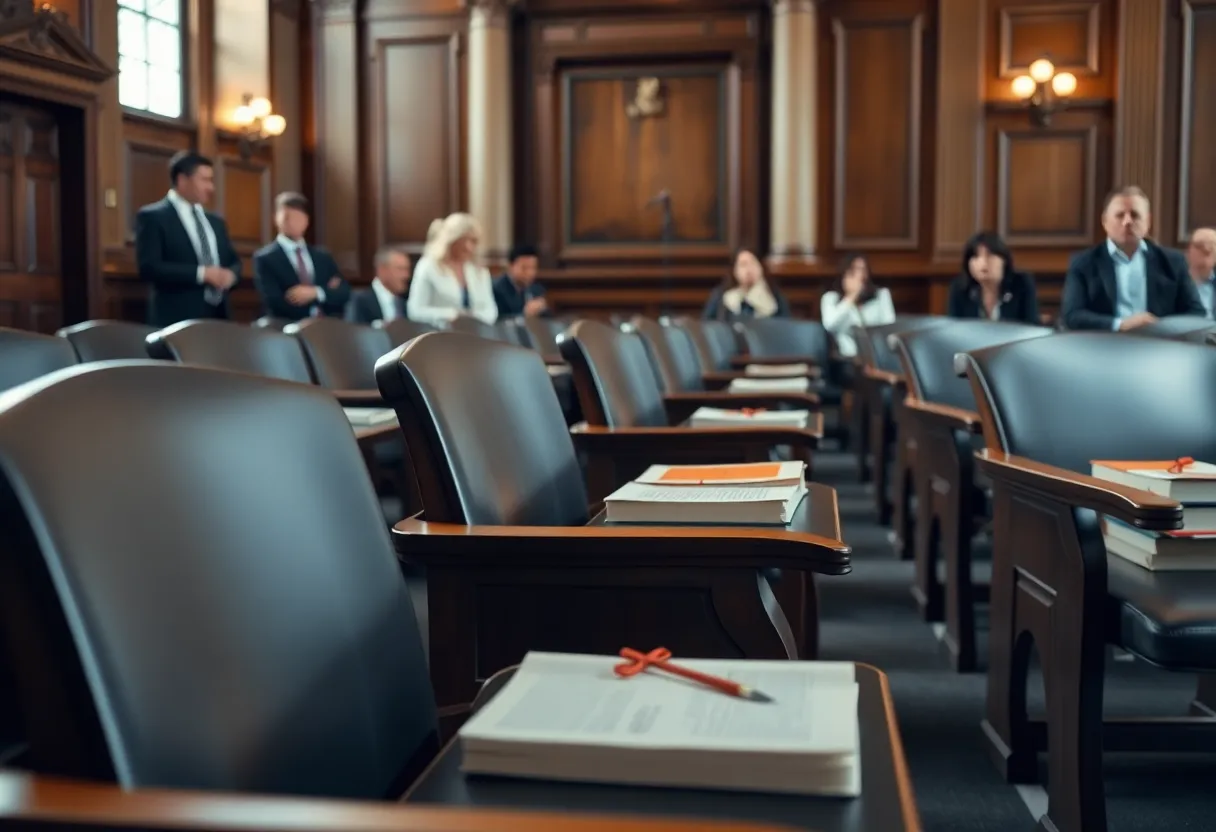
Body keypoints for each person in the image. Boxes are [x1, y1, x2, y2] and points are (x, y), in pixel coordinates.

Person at [1060, 186, 1205, 331]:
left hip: (1159, 346)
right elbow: (1072, 316)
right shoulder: (1083, 263)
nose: (1127, 221)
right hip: (1104, 346)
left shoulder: (1173, 261)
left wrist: (1160, 327)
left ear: (1148, 221)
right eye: (1120, 215)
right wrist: (1120, 325)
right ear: (1105, 221)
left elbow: (1196, 313)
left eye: (1135, 215)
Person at [135, 151, 240, 326]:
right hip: (175, 319)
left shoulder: (216, 222)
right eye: (204, 180)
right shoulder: (153, 217)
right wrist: (202, 274)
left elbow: (234, 261)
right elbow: (149, 267)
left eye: (211, 180)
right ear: (182, 180)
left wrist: (231, 275)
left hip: (218, 318)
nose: (211, 187)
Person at [253, 192, 350, 321]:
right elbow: (274, 302)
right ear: (276, 218)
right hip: (287, 329)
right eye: (287, 217)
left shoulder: (322, 257)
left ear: (306, 221)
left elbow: (344, 293)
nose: (292, 223)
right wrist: (327, 293)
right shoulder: (265, 258)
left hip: (326, 327)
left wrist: (316, 293)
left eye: (298, 218)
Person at [407, 213, 498, 326]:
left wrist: (472, 317)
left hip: (475, 336)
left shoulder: (479, 270)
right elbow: (415, 311)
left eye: (473, 241)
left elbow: (491, 311)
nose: (468, 247)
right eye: (463, 240)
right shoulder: (428, 266)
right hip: (437, 336)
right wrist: (452, 315)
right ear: (451, 239)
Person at [946, 231, 1040, 324]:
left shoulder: (1022, 283)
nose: (982, 263)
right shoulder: (959, 288)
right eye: (975, 256)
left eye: (989, 255)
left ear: (1004, 260)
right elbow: (953, 330)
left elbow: (1032, 326)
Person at [819, 254, 896, 356]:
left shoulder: (881, 295)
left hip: (878, 355)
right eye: (853, 271)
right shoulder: (830, 298)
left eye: (863, 270)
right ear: (844, 274)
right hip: (847, 358)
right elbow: (830, 325)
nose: (859, 275)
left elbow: (889, 326)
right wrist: (851, 297)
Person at [702, 249, 790, 322]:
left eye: (753, 263)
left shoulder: (775, 297)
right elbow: (708, 325)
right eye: (743, 265)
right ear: (734, 271)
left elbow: (784, 327)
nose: (749, 270)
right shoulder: (720, 296)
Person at [346, 246, 413, 325]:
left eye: (407, 269)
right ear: (382, 270)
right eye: (400, 269)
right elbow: (353, 333)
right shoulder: (360, 301)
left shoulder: (405, 301)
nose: (406, 275)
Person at [493, 244, 548, 318]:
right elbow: (499, 319)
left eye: (533, 268)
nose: (530, 273)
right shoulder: (497, 289)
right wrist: (524, 313)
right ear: (510, 266)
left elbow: (548, 318)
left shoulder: (536, 289)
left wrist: (542, 308)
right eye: (524, 268)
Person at [1185, 228, 1216, 318]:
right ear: (1189, 252)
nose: (1205, 259)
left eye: (1209, 252)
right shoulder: (1178, 284)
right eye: (1199, 247)